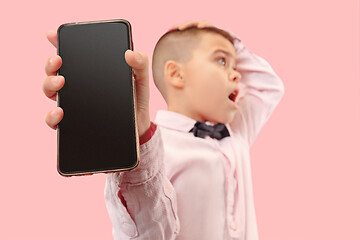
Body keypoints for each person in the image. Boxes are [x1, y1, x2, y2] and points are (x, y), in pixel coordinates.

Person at [43, 20, 285, 240]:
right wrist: (141, 139)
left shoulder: (235, 133)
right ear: (176, 74)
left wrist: (229, 40)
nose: (236, 75)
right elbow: (150, 233)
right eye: (222, 61)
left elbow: (269, 87)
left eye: (236, 65)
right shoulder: (150, 149)